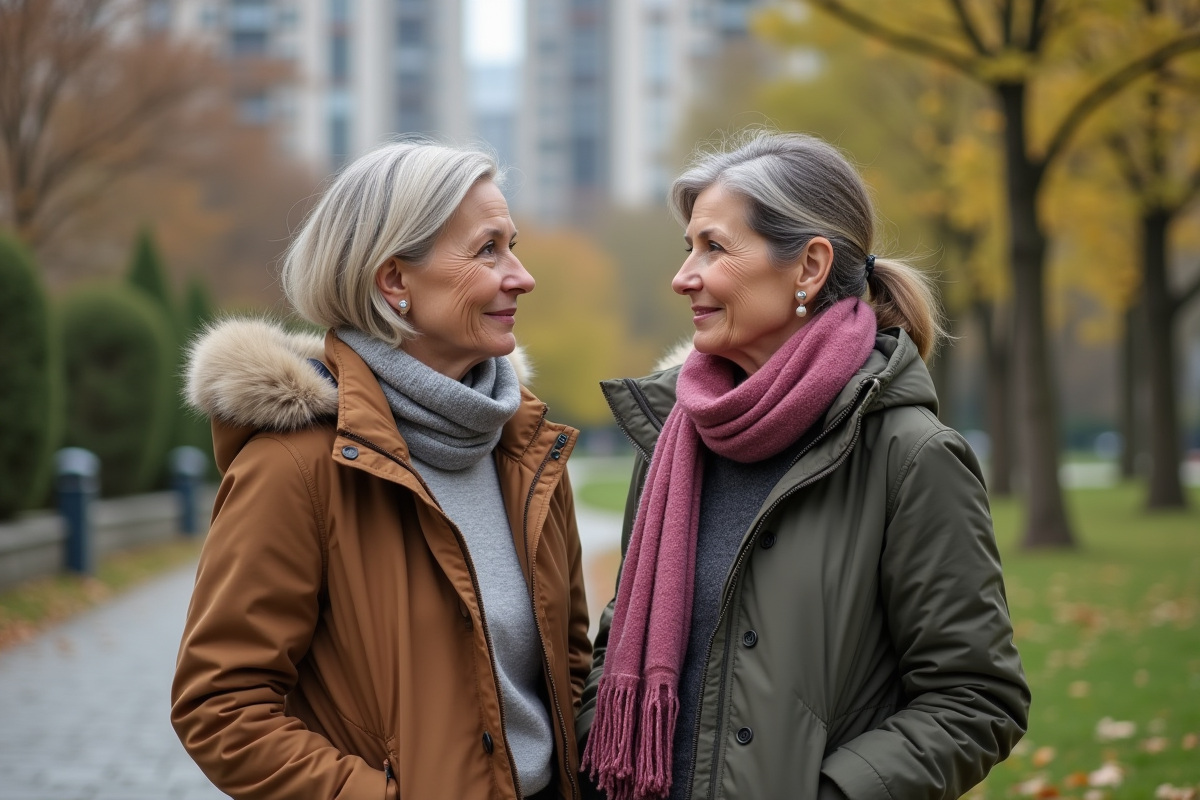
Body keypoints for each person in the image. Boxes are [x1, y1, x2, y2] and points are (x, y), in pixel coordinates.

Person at [577, 131, 1029, 800]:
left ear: (810, 267)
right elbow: (617, 642)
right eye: (688, 248)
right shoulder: (674, 439)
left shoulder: (910, 457)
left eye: (715, 248)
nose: (684, 277)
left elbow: (977, 700)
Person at [172, 141, 591, 800]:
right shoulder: (293, 466)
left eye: (512, 245)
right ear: (395, 280)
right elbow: (221, 706)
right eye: (488, 250)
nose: (521, 275)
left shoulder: (528, 450)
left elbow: (566, 667)